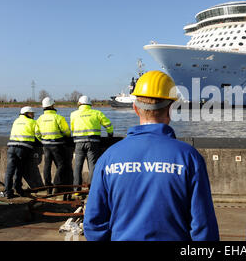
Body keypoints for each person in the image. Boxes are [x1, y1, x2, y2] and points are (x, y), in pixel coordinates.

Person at [83, 70, 219, 241]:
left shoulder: (109, 158)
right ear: (171, 109)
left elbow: (93, 224)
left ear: (135, 108)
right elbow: (203, 227)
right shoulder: (189, 158)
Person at [70, 95, 113, 190]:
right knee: (93, 165)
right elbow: (108, 124)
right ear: (90, 104)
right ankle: (91, 188)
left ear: (79, 104)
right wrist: (110, 134)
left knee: (77, 166)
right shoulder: (97, 113)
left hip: (78, 142)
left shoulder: (73, 114)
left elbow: (72, 128)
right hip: (93, 142)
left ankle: (76, 190)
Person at [0, 107, 41, 199]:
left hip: (11, 147)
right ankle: (18, 189)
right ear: (27, 114)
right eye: (32, 113)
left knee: (9, 171)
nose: (33, 115)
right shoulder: (33, 122)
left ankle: (8, 192)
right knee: (19, 169)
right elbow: (38, 135)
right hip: (23, 148)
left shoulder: (16, 121)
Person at [36, 97, 71, 193]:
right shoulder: (58, 118)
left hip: (46, 145)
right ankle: (57, 184)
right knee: (61, 165)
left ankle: (48, 187)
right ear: (52, 105)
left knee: (47, 165)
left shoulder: (39, 119)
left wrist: (42, 141)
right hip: (57, 145)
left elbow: (37, 133)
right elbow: (67, 132)